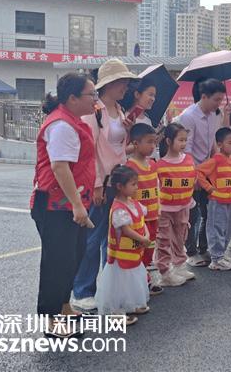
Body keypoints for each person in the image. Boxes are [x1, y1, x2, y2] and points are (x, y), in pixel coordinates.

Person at [31, 73, 97, 338]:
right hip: (55, 205)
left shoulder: (74, 121)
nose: (95, 99)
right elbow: (60, 167)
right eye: (91, 94)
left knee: (73, 256)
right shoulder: (61, 125)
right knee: (57, 262)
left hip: (69, 203)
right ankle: (50, 318)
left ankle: (64, 305)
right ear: (72, 98)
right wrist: (77, 205)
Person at [72, 59, 137, 312]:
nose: (126, 87)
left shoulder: (119, 110)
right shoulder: (94, 111)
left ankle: (108, 290)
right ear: (109, 83)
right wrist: (97, 184)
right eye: (123, 82)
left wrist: (128, 131)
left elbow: (118, 148)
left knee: (112, 238)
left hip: (118, 181)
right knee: (94, 238)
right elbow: (90, 152)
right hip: (102, 183)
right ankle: (82, 291)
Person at [176, 78, 226, 267]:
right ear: (203, 96)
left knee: (208, 212)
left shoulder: (214, 115)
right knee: (192, 214)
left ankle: (204, 248)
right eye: (216, 100)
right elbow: (186, 149)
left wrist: (216, 164)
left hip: (207, 171)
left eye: (221, 99)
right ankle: (190, 252)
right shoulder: (188, 116)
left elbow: (212, 143)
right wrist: (194, 175)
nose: (218, 104)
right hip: (191, 170)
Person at [94, 165, 150, 325]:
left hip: (133, 254)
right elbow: (125, 230)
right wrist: (143, 239)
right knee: (120, 284)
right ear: (120, 186)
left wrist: (145, 235)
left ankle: (131, 304)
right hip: (120, 256)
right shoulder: (118, 208)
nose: (136, 187)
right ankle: (116, 311)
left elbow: (142, 221)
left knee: (133, 280)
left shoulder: (134, 204)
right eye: (133, 184)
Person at [155, 123, 197, 286]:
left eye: (185, 140)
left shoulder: (189, 160)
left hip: (183, 207)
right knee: (164, 239)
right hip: (164, 210)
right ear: (168, 141)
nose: (184, 143)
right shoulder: (160, 165)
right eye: (180, 140)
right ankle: (165, 272)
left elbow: (192, 181)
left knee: (181, 237)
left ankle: (179, 266)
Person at [197, 127, 231, 271]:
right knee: (216, 228)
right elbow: (198, 171)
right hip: (217, 202)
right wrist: (209, 188)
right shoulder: (216, 160)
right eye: (230, 143)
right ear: (219, 144)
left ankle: (221, 254)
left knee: (228, 230)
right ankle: (216, 259)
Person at [126, 123, 162, 295]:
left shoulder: (153, 165)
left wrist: (159, 210)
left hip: (153, 217)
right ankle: (140, 281)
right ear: (135, 143)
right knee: (137, 250)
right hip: (138, 220)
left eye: (154, 142)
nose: (153, 146)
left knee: (149, 249)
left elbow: (157, 188)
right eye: (149, 142)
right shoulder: (129, 167)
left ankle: (144, 275)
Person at [123, 78, 159, 158]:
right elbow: (122, 150)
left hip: (150, 163)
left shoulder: (148, 120)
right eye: (150, 94)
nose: (153, 99)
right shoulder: (126, 118)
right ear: (137, 94)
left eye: (154, 96)